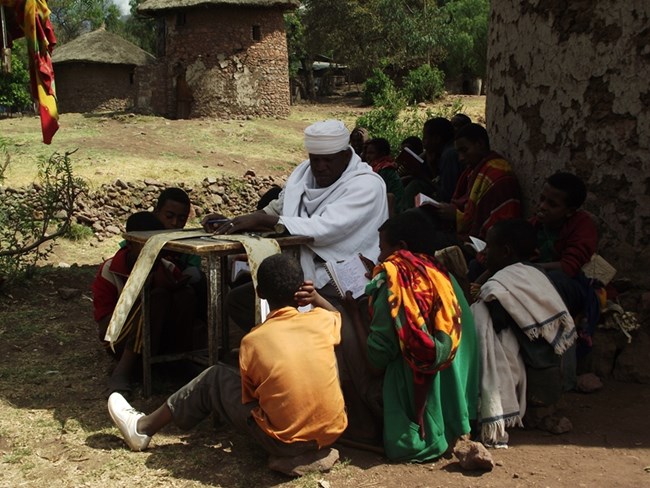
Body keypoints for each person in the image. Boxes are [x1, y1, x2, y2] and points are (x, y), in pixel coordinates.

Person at [202, 120, 388, 443]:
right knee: (240, 301)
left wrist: (264, 220)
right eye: (315, 159)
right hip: (303, 273)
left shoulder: (367, 185)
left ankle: (334, 402)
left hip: (345, 284)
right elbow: (281, 208)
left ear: (347, 155)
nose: (320, 167)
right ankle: (281, 380)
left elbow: (322, 228)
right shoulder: (303, 175)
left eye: (328, 160)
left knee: (327, 324)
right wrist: (240, 220)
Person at [107, 254, 347, 476]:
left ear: (259, 292)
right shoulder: (322, 321)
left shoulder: (254, 341)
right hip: (333, 433)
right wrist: (316, 298)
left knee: (215, 377)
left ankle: (143, 428)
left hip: (286, 442)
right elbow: (335, 314)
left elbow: (253, 396)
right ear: (302, 288)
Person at [362, 211, 480, 461]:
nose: (379, 256)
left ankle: (419, 435)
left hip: (424, 382)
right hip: (456, 385)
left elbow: (378, 355)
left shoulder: (393, 283)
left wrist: (357, 312)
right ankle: (457, 424)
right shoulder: (441, 274)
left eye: (382, 248)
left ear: (401, 247)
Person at [471, 219, 577, 445]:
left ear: (506, 251)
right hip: (560, 369)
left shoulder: (501, 285)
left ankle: (499, 405)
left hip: (536, 371)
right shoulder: (535, 273)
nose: (484, 252)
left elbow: (497, 321)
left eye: (489, 247)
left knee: (481, 318)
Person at [92, 212, 196, 397]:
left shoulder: (167, 267)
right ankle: (122, 371)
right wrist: (140, 297)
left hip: (160, 342)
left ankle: (179, 360)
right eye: (146, 245)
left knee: (185, 294)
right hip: (119, 342)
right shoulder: (110, 271)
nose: (153, 251)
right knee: (156, 298)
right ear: (130, 244)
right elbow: (105, 330)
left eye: (157, 244)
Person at [530, 172, 600, 382]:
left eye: (552, 204)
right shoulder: (537, 224)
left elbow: (568, 267)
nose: (542, 206)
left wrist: (530, 267)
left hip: (573, 287)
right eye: (542, 199)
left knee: (553, 283)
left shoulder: (583, 227)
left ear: (570, 211)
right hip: (537, 278)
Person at [433, 123, 522, 243]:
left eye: (464, 150)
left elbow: (499, 227)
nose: (461, 158)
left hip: (485, 244)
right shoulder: (473, 171)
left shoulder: (499, 176)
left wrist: (456, 216)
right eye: (459, 153)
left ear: (480, 144)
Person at [422, 117, 464, 203]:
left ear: (437, 139)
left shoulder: (449, 155)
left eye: (425, 138)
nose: (423, 142)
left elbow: (447, 195)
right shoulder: (445, 153)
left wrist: (421, 176)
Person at [363, 137, 406, 215]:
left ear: (382, 153)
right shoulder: (375, 168)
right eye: (367, 153)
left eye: (371, 153)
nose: (368, 156)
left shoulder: (385, 170)